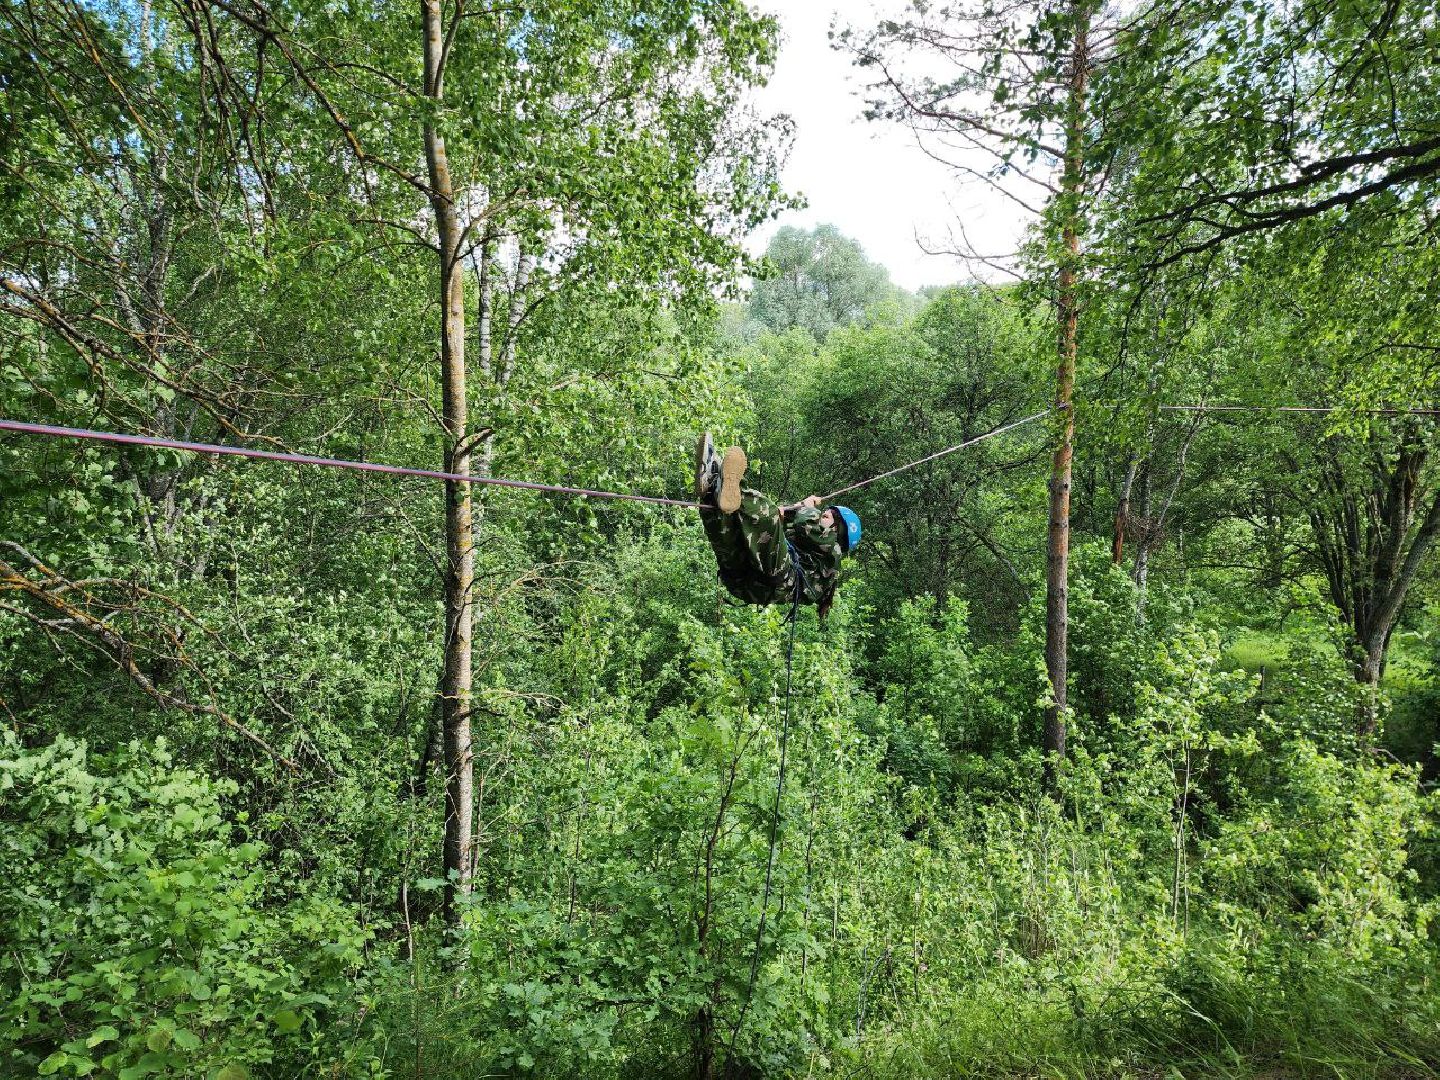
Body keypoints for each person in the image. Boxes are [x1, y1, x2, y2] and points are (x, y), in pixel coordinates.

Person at [694, 433, 861, 617]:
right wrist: (788, 513)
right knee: (728, 526)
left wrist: (805, 507)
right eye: (830, 511)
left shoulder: (833, 550)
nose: (827, 513)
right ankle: (711, 492)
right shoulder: (812, 548)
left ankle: (730, 487)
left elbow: (803, 522)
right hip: (741, 580)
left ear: (839, 533)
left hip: (776, 577)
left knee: (766, 512)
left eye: (834, 518)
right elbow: (792, 525)